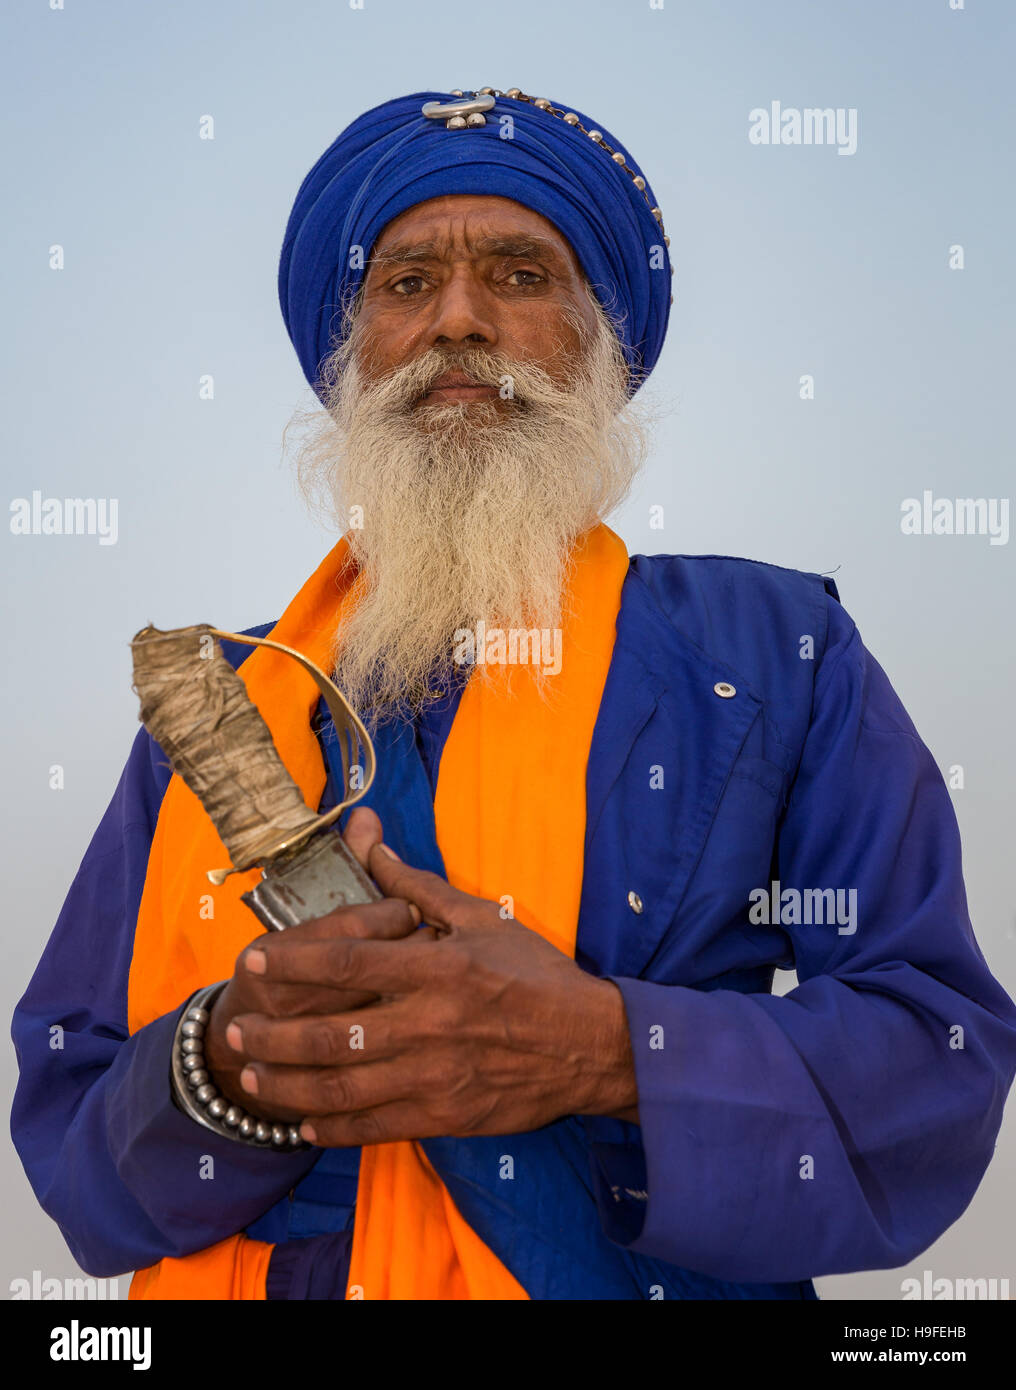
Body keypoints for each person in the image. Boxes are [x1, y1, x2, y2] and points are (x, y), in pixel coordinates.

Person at [11, 87, 1016, 1302]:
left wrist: (606, 1049)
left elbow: (939, 1057)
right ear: (349, 357)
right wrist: (230, 1062)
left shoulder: (777, 651)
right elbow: (68, 1113)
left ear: (600, 345)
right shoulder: (221, 706)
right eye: (404, 283)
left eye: (521, 274)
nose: (459, 321)